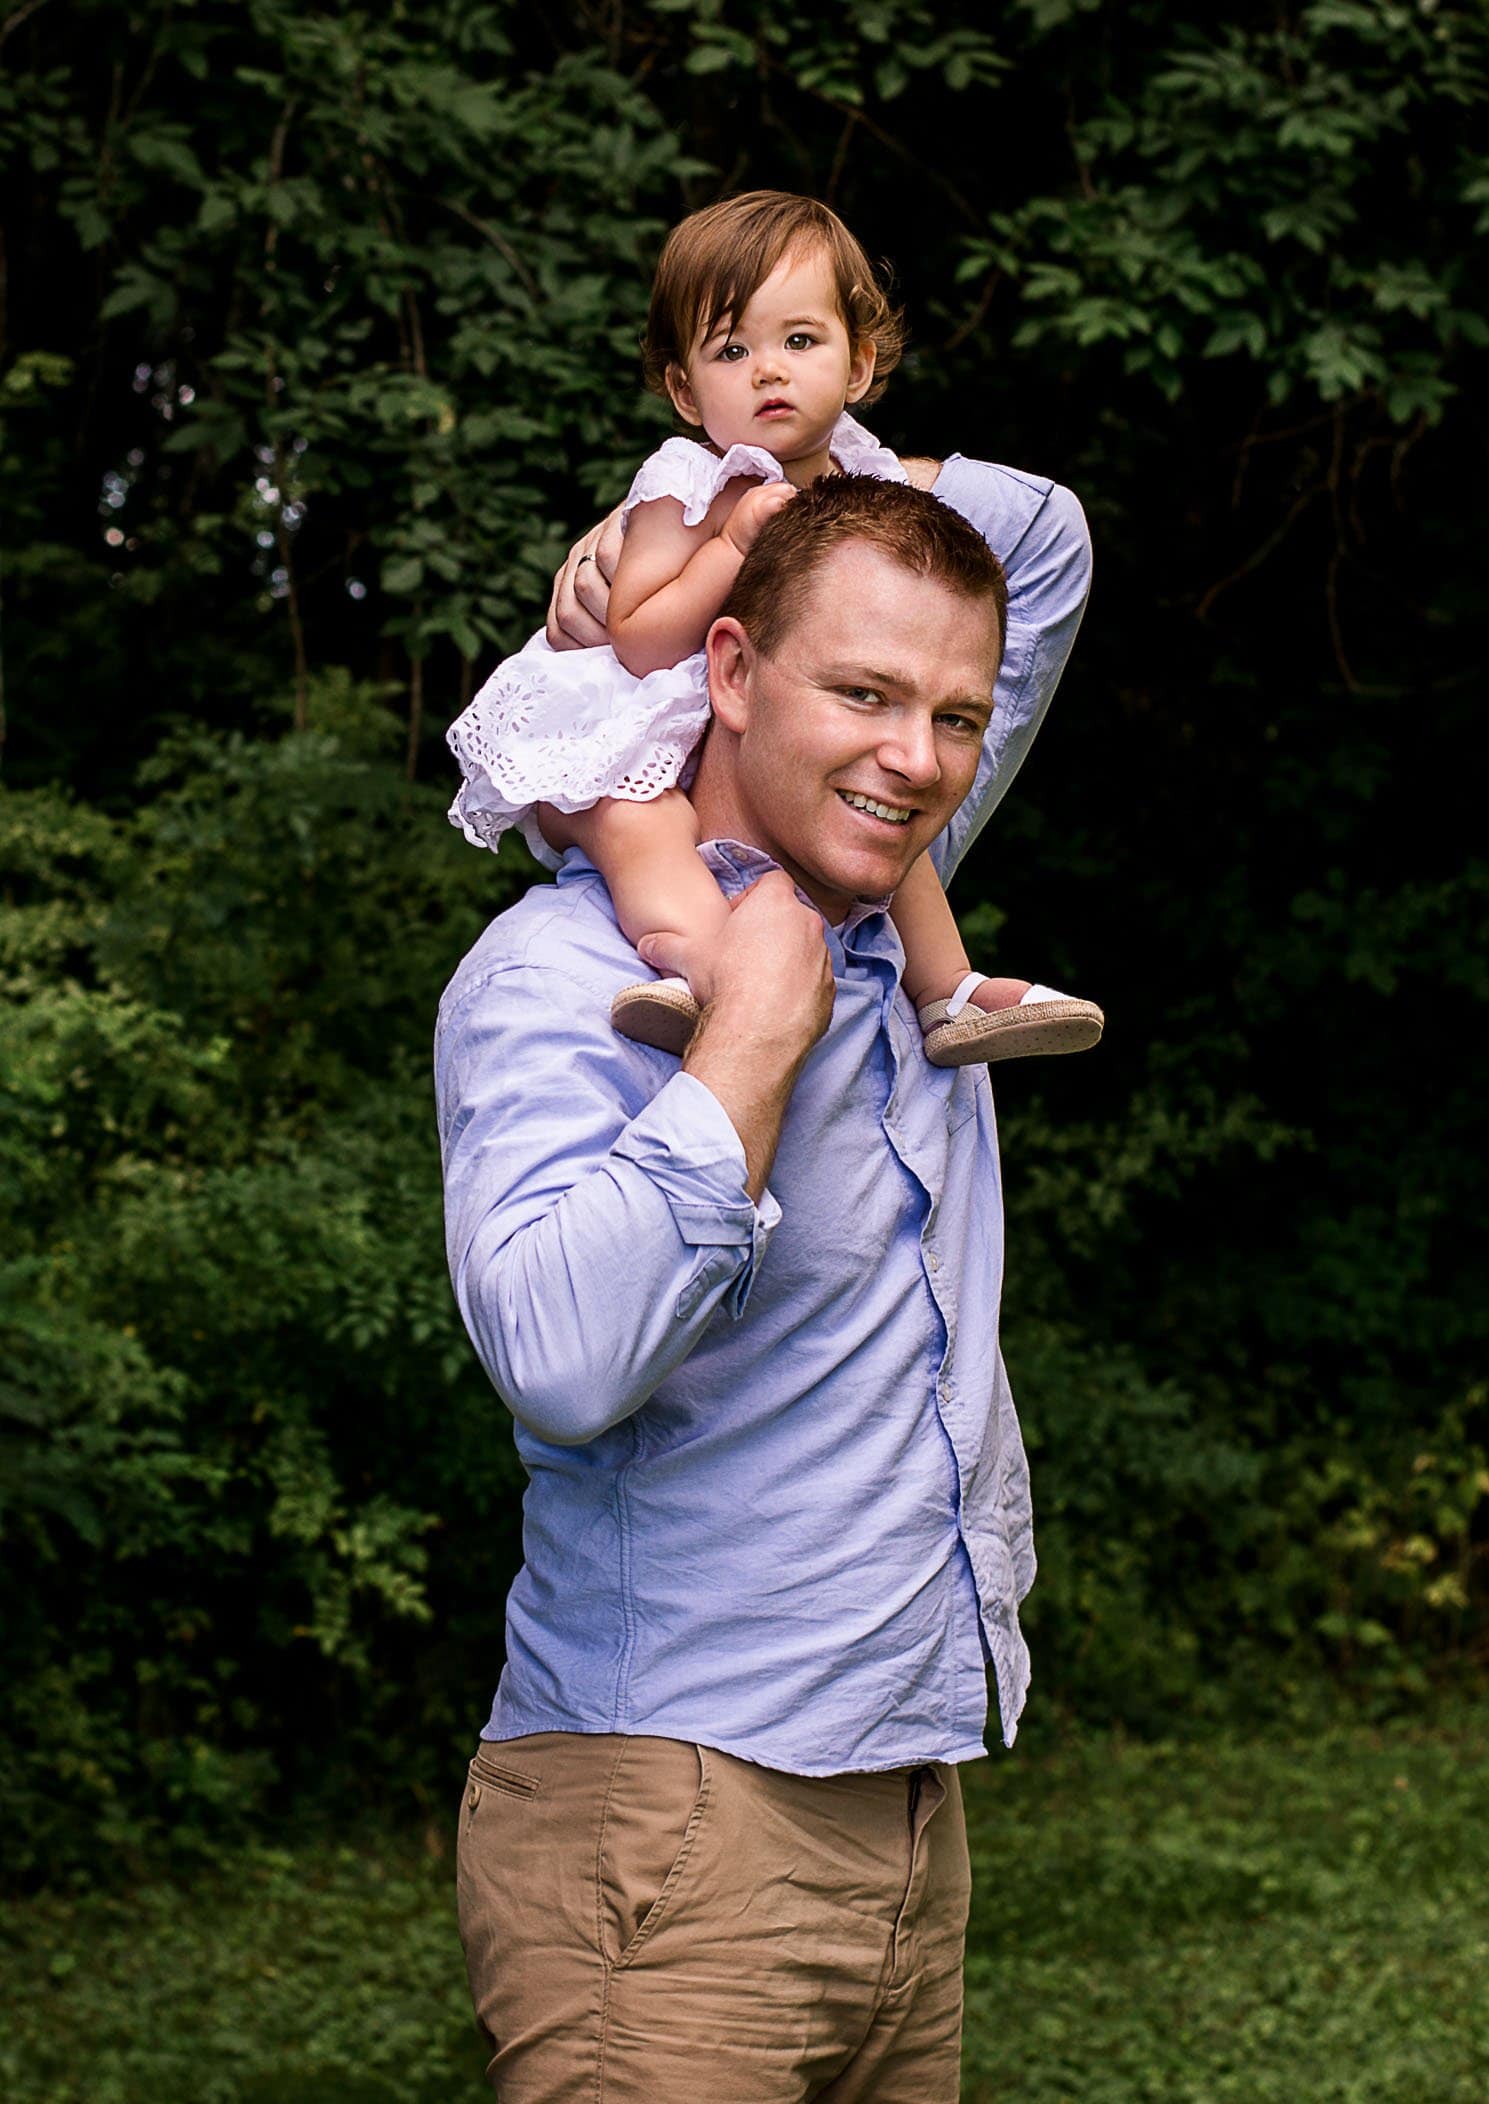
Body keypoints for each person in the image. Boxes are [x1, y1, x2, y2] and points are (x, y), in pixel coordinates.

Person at [437, 462, 1093, 2099]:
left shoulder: (888, 904)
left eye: (954, 713)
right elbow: (560, 1355)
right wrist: (741, 1040)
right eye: (864, 691)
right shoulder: (556, 977)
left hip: (907, 1812)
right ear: (725, 674)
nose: (917, 757)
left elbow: (1042, 536)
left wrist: (764, 460)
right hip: (664, 1842)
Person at [447, 190, 1101, 1066]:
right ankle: (693, 962)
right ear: (684, 389)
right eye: (731, 350)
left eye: (800, 341)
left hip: (763, 727)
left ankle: (948, 991)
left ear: (858, 365)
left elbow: (1017, 541)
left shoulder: (869, 477)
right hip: (636, 717)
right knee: (639, 824)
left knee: (882, 800)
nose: (768, 371)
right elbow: (639, 636)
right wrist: (728, 543)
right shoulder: (686, 485)